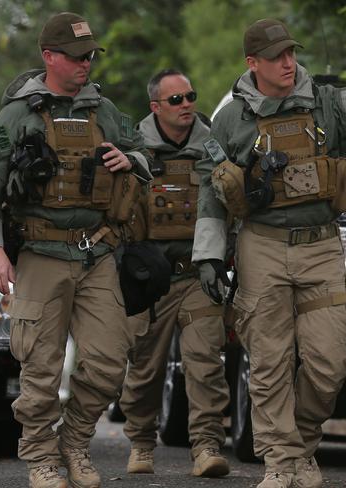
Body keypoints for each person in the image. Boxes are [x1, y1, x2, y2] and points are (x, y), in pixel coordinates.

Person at [192, 18, 346, 488]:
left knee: (329, 362)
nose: (288, 62)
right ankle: (281, 462)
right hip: (260, 246)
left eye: (291, 53)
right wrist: (209, 256)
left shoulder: (326, 101)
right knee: (268, 361)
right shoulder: (230, 119)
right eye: (277, 56)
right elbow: (211, 191)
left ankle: (299, 444)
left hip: (321, 245)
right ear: (252, 63)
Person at [0, 12, 152, 488]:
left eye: (91, 56)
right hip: (41, 254)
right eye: (77, 57)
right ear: (49, 57)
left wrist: (130, 159)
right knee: (41, 368)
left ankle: (74, 442)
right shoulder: (16, 114)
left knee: (110, 362)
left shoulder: (104, 111)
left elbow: (145, 153)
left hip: (97, 254)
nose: (87, 64)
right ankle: (42, 460)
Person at [118, 69, 231, 478]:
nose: (187, 105)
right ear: (155, 107)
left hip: (199, 275)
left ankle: (205, 446)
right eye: (176, 100)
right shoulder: (132, 149)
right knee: (144, 365)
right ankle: (142, 443)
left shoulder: (215, 147)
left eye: (191, 96)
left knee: (205, 362)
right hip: (152, 279)